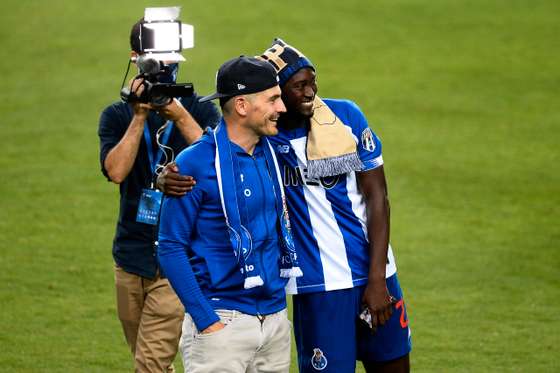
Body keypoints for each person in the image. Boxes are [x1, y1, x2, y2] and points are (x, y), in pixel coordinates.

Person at [159, 40, 412, 372]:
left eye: (312, 81)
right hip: (317, 287)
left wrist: (377, 278)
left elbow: (378, 197)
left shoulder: (346, 117)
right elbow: (219, 148)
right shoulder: (267, 140)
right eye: (295, 87)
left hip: (376, 275)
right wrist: (165, 175)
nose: (310, 93)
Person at [157, 56, 301, 373]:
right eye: (273, 99)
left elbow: (310, 96)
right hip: (223, 324)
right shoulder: (194, 162)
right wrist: (207, 320)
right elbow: (170, 246)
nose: (283, 108)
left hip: (274, 322)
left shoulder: (275, 150)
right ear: (241, 106)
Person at [97, 18, 220, 372]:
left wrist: (177, 114)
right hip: (130, 259)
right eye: (157, 58)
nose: (166, 66)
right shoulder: (117, 115)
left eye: (172, 57)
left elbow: (216, 163)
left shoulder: (198, 110)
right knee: (150, 364)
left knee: (149, 366)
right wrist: (139, 117)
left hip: (176, 259)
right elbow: (116, 171)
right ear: (136, 58)